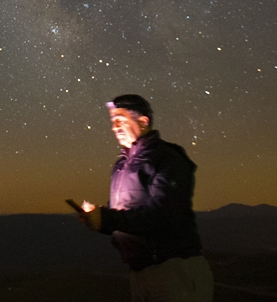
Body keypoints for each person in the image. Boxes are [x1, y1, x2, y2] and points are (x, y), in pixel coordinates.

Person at [75, 93, 214, 302]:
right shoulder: (121, 166)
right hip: (139, 272)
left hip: (173, 270)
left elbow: (163, 214)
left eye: (120, 120)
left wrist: (106, 218)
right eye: (112, 122)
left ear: (143, 121)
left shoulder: (167, 158)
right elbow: (125, 217)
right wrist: (98, 220)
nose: (114, 127)